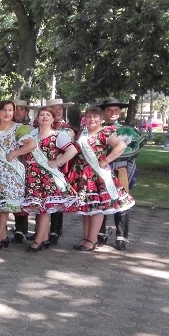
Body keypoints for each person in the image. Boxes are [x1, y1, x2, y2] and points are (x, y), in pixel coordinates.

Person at [68, 106, 136, 251]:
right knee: (86, 208)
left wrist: (107, 160)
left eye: (95, 117)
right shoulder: (83, 133)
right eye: (89, 116)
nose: (92, 119)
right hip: (82, 175)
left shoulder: (105, 133)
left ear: (101, 119)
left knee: (96, 208)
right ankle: (86, 238)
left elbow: (121, 145)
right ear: (85, 118)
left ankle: (92, 240)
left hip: (97, 175)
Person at [22, 106, 79, 252]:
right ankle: (44, 238)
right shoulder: (32, 134)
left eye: (48, 115)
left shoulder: (58, 135)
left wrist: (57, 162)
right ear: (37, 118)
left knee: (44, 209)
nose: (44, 117)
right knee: (39, 208)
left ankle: (38, 241)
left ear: (53, 119)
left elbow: (72, 150)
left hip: (47, 176)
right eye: (42, 115)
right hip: (33, 176)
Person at [0, 100, 36, 249]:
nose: (8, 113)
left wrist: (15, 152)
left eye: (10, 110)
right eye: (4, 110)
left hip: (10, 173)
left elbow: (31, 144)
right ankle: (3, 235)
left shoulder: (19, 128)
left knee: (5, 205)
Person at [97, 98, 144, 250]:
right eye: (109, 110)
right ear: (104, 112)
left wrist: (114, 155)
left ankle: (121, 235)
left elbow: (135, 148)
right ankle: (100, 232)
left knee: (122, 199)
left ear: (120, 113)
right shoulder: (98, 129)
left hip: (122, 170)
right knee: (100, 199)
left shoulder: (128, 130)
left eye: (116, 110)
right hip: (100, 170)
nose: (113, 113)